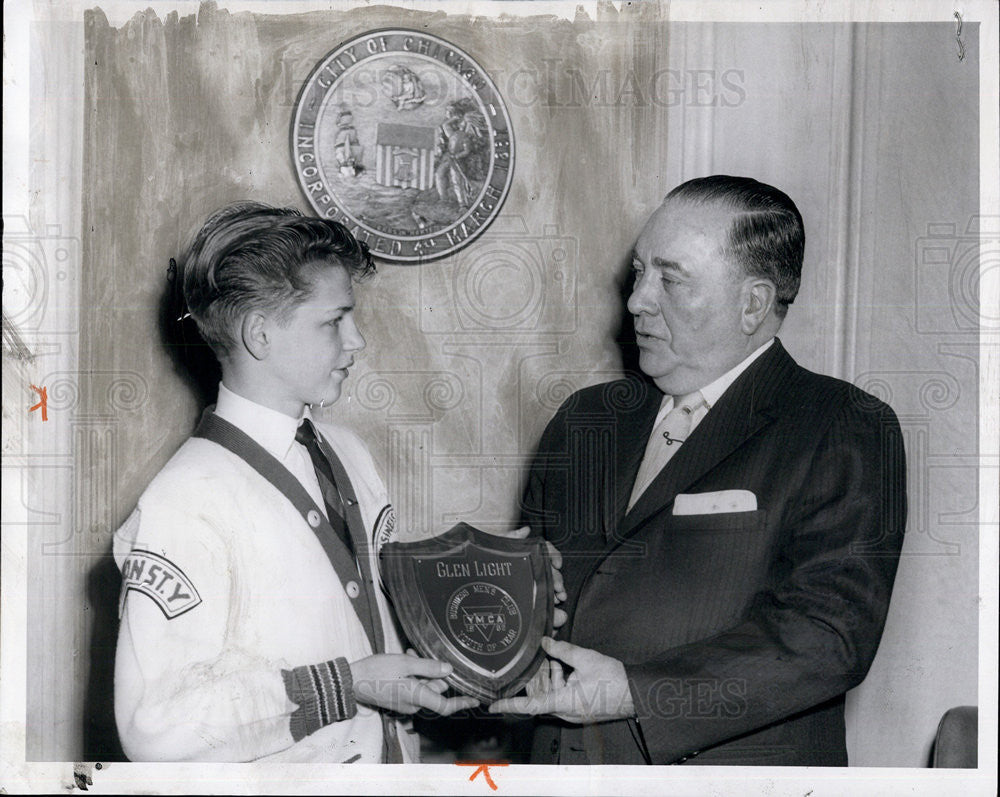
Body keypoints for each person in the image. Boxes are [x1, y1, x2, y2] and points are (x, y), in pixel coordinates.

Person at [490, 175, 907, 766]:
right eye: (639, 271)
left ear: (753, 304)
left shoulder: (840, 423)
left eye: (671, 277)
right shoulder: (585, 419)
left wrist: (637, 692)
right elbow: (533, 593)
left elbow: (829, 638)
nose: (637, 299)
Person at [113, 202, 478, 762]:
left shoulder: (348, 454)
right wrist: (343, 685)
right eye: (335, 321)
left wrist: (489, 589)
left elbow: (374, 615)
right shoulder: (185, 501)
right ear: (260, 335)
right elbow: (155, 729)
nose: (356, 340)